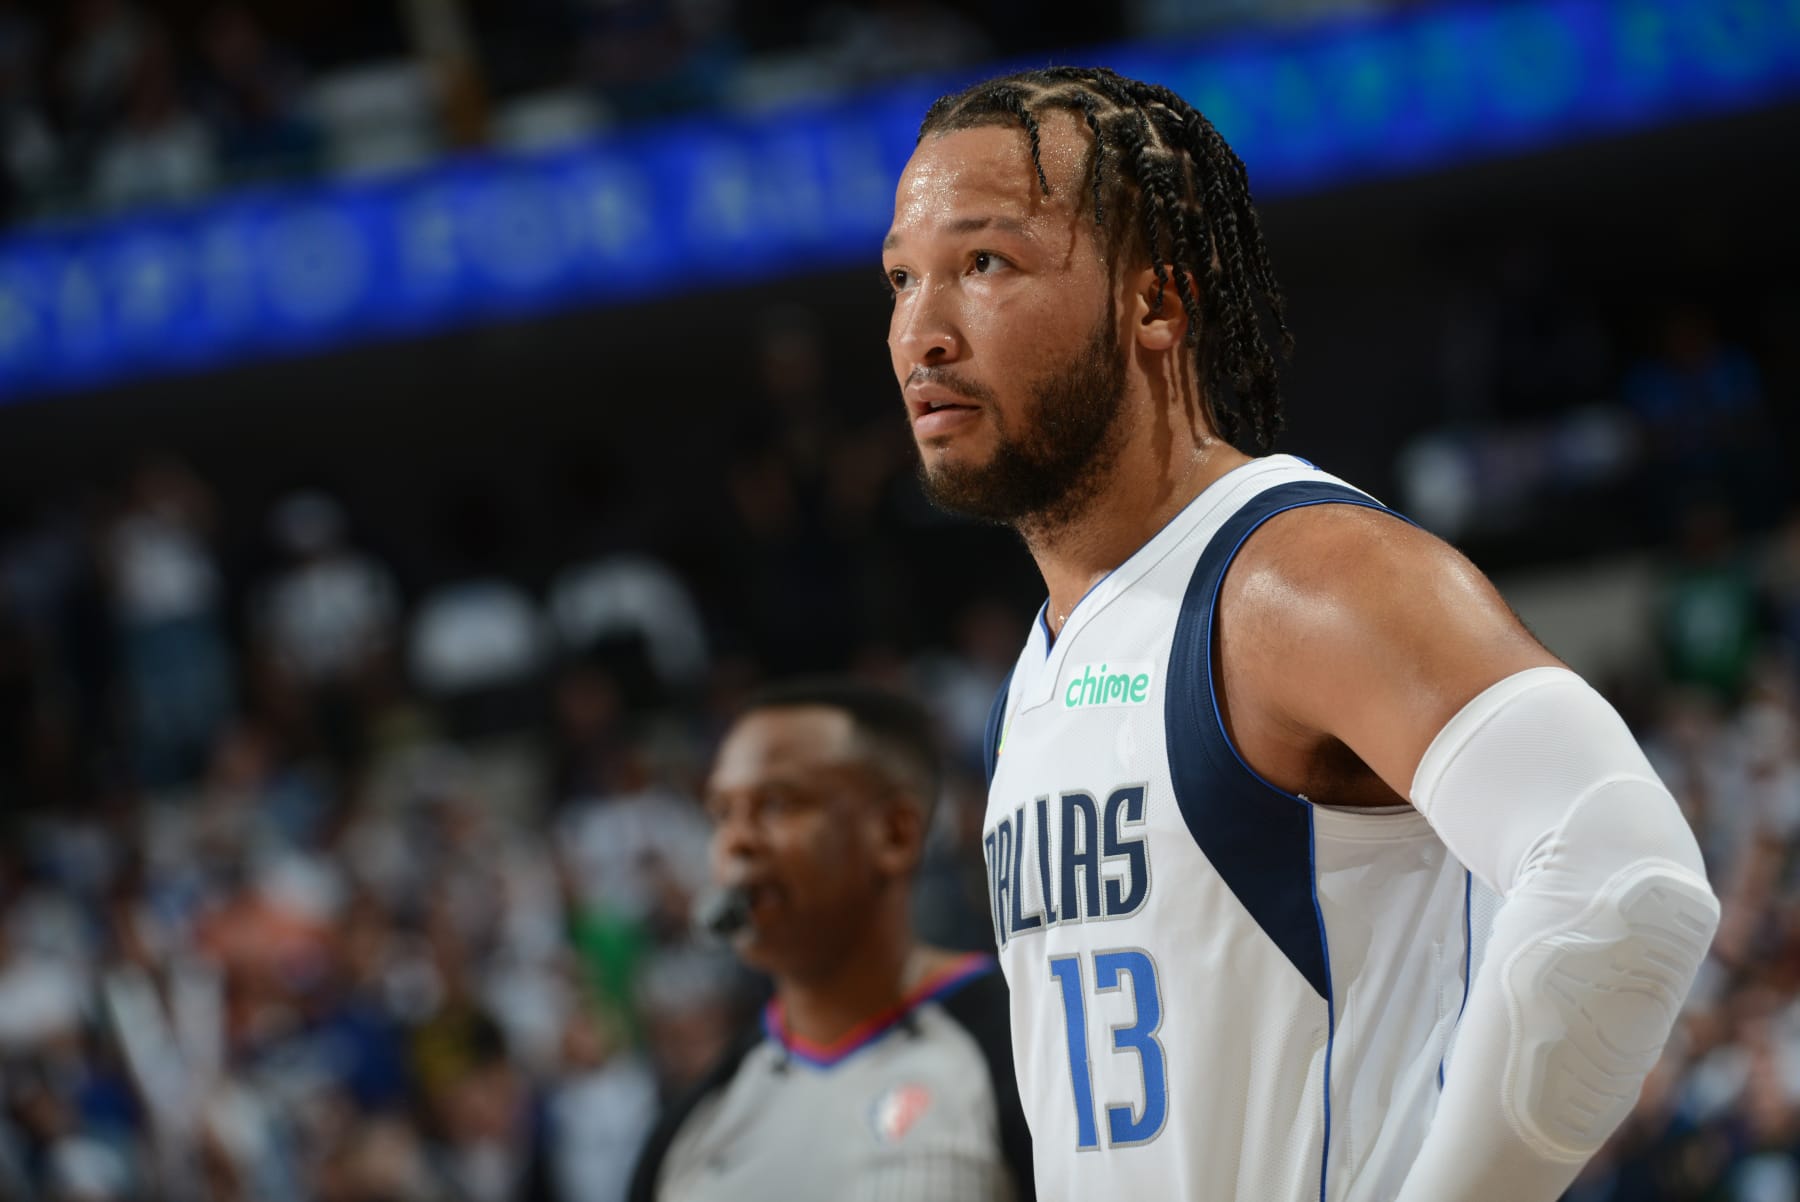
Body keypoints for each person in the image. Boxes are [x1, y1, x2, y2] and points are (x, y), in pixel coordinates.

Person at [879, 66, 1720, 1202]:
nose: (921, 332)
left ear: (1154, 304)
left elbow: (1628, 880)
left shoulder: (1295, 577)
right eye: (900, 279)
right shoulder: (1036, 673)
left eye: (985, 263)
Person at [626, 679, 1033, 1202]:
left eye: (777, 804)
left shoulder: (1022, 1052)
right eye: (722, 812)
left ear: (896, 833)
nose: (737, 840)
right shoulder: (691, 1128)